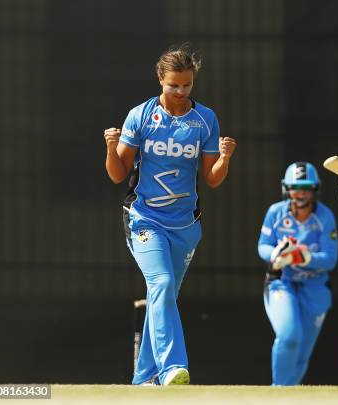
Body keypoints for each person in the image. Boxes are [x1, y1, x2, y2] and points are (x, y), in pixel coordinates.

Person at [103, 44, 236, 386]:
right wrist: (109, 146)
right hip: (145, 219)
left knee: (163, 297)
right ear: (160, 79)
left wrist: (224, 158)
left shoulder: (205, 119)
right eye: (173, 85)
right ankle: (172, 367)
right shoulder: (142, 115)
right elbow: (118, 174)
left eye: (186, 86)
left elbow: (212, 178)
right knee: (160, 284)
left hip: (186, 226)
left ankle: (142, 378)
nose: (179, 92)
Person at [257, 162, 338, 386]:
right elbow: (262, 246)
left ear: (315, 189)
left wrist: (301, 257)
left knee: (302, 353)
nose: (300, 193)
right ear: (286, 188)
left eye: (306, 187)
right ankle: (279, 393)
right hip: (281, 283)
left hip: (315, 288)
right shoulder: (275, 212)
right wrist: (276, 253)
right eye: (295, 187)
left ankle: (289, 394)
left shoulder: (324, 216)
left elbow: (330, 259)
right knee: (289, 336)